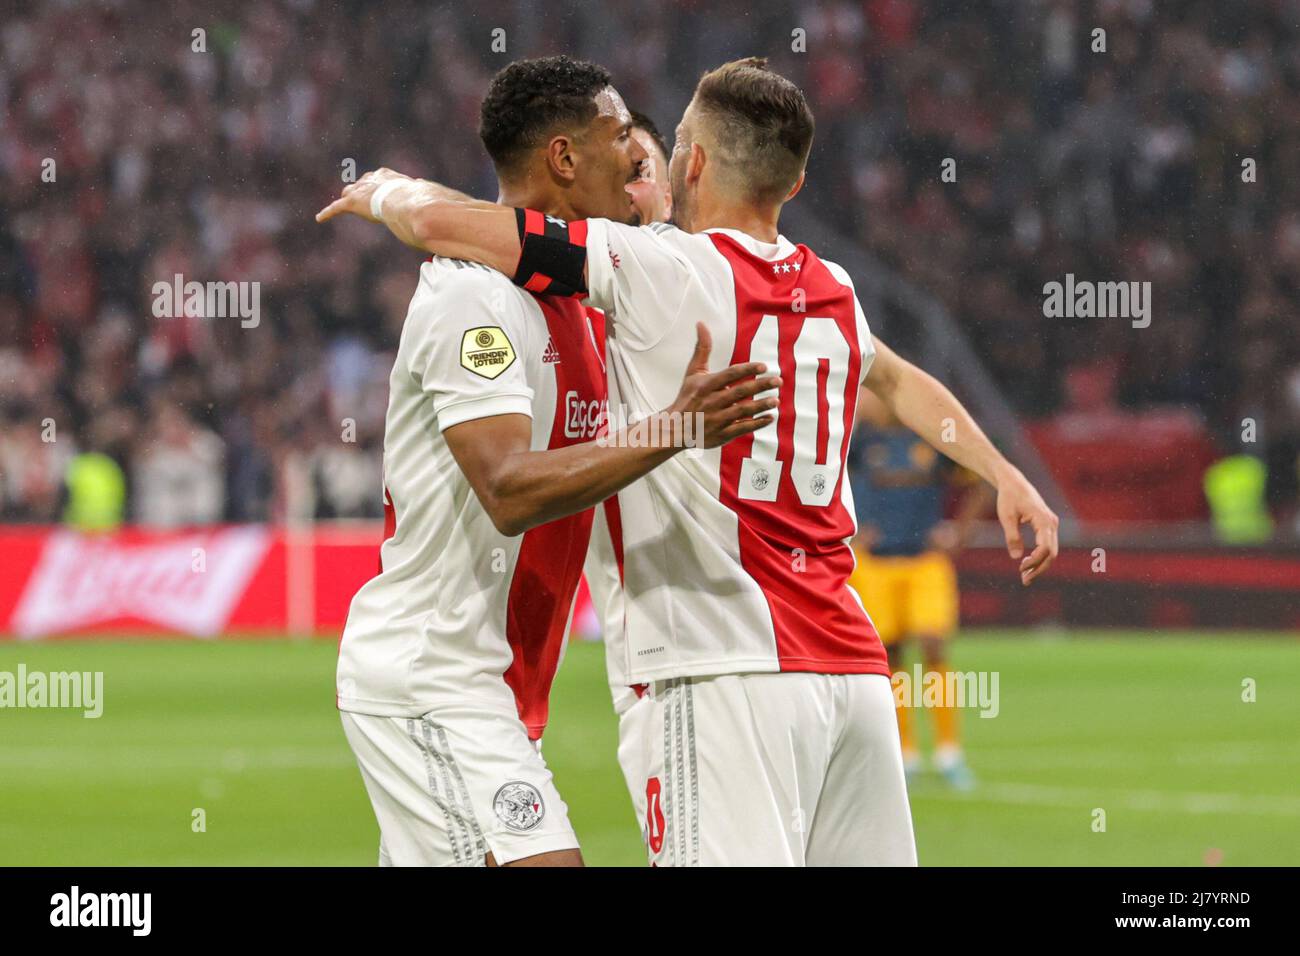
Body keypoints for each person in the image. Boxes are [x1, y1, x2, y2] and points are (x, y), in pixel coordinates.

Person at [319, 57, 1059, 866]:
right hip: (472, 673)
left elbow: (446, 221)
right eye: (628, 155)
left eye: (657, 155)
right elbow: (893, 375)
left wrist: (391, 190)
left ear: (691, 166)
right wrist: (1004, 472)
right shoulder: (824, 287)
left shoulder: (646, 281)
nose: (646, 174)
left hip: (706, 668)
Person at [325, 57, 778, 868]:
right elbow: (505, 487)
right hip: (434, 676)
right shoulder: (474, 299)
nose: (635, 161)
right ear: (564, 159)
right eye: (617, 144)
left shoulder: (580, 301)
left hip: (495, 684)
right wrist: (674, 429)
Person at [847, 387, 993, 788]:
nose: (862, 402)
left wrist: (958, 534)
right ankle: (905, 751)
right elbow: (824, 480)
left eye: (869, 394)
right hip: (876, 564)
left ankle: (949, 752)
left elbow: (982, 482)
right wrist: (853, 529)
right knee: (889, 654)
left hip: (926, 561)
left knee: (933, 642)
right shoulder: (858, 441)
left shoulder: (930, 439)